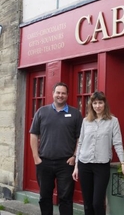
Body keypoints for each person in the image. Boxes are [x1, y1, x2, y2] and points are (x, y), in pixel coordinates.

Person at [29, 82, 83, 215]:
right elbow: (34, 134)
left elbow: (81, 138)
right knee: (45, 197)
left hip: (66, 163)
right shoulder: (42, 112)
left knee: (65, 198)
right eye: (58, 92)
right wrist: (36, 157)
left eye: (63, 93)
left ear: (67, 95)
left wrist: (75, 156)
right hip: (44, 162)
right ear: (53, 94)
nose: (60, 95)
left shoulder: (75, 114)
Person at [72, 91, 124, 215]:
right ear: (91, 105)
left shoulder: (113, 121)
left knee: (97, 202)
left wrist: (123, 163)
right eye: (95, 103)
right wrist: (76, 166)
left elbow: (118, 143)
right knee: (87, 204)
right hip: (84, 164)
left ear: (105, 104)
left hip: (101, 166)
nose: (97, 106)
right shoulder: (86, 121)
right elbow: (80, 143)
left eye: (100, 103)